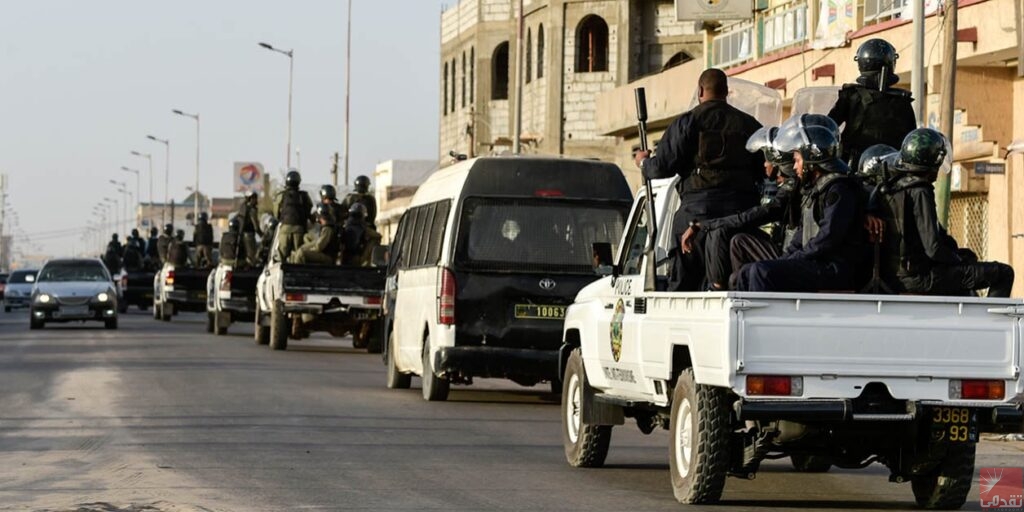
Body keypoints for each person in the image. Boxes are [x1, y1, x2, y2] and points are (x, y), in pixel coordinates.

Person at [633, 68, 765, 291]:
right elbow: (763, 171)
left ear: (700, 90)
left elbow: (660, 169)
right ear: (727, 92)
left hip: (695, 218)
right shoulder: (749, 124)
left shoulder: (688, 122)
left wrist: (643, 162)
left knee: (684, 287)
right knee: (741, 284)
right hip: (740, 217)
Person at [879, 128, 1014, 297]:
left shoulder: (893, 187)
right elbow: (933, 248)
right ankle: (991, 323)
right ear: (930, 160)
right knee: (1002, 273)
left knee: (967, 267)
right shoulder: (920, 191)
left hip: (899, 274)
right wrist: (957, 260)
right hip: (920, 278)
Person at [734, 124, 866, 292]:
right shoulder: (815, 191)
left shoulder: (838, 190)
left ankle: (765, 318)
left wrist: (795, 259)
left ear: (812, 159)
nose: (794, 167)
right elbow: (800, 237)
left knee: (761, 272)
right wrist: (785, 259)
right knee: (746, 272)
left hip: (833, 268)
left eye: (797, 160)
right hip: (814, 262)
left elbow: (828, 238)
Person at [681, 125, 801, 289]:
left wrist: (705, 225)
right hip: (785, 251)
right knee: (737, 240)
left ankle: (718, 289)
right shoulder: (783, 186)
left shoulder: (792, 188)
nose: (765, 164)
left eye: (767, 158)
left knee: (721, 231)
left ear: (778, 159)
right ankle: (737, 287)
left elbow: (759, 214)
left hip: (791, 256)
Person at [827, 38, 917, 168]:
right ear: (890, 62)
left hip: (855, 171)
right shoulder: (902, 101)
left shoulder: (851, 96)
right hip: (888, 171)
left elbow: (828, 127)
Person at [274, 170, 314, 262]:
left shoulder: (281, 195)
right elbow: (308, 209)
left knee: (282, 255)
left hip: (285, 228)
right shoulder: (304, 195)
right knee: (298, 254)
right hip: (299, 229)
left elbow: (276, 212)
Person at [237, 191, 263, 267]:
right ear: (251, 199)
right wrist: (262, 235)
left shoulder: (243, 207)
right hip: (249, 236)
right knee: (252, 257)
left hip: (241, 234)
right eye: (255, 198)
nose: (256, 200)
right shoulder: (252, 210)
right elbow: (256, 226)